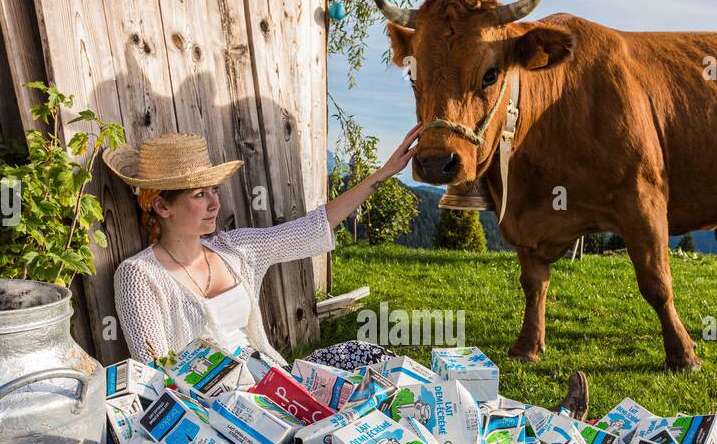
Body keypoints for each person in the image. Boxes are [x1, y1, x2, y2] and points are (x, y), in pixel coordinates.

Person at [104, 127, 589, 418]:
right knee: (375, 410)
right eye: (199, 194)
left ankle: (519, 418)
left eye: (213, 190)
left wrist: (381, 174)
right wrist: (252, 403)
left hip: (277, 378)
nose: (215, 202)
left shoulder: (235, 249)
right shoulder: (139, 277)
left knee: (378, 360)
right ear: (161, 207)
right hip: (233, 413)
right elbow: (157, 377)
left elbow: (313, 227)